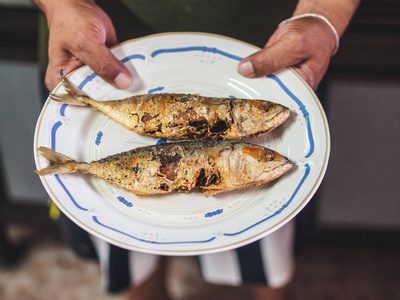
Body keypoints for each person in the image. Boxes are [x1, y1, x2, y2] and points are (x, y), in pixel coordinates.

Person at [33, 0, 361, 299]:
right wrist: (62, 6)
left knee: (267, 254)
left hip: (275, 51)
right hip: (99, 44)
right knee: (130, 254)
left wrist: (325, 15)